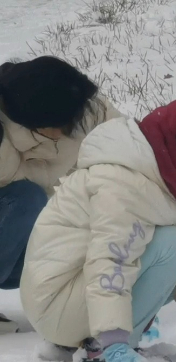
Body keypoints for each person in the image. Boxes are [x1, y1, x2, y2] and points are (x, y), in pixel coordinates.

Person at [20, 91, 176, 362]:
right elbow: (110, 260)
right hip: (54, 302)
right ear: (172, 138)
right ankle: (102, 349)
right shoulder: (125, 183)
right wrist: (113, 343)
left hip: (67, 295)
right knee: (169, 246)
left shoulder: (158, 181)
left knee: (173, 249)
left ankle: (99, 339)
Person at [0, 56, 122, 334]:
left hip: (19, 242)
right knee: (27, 199)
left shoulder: (79, 109)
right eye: (57, 126)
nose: (64, 132)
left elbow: (128, 141)